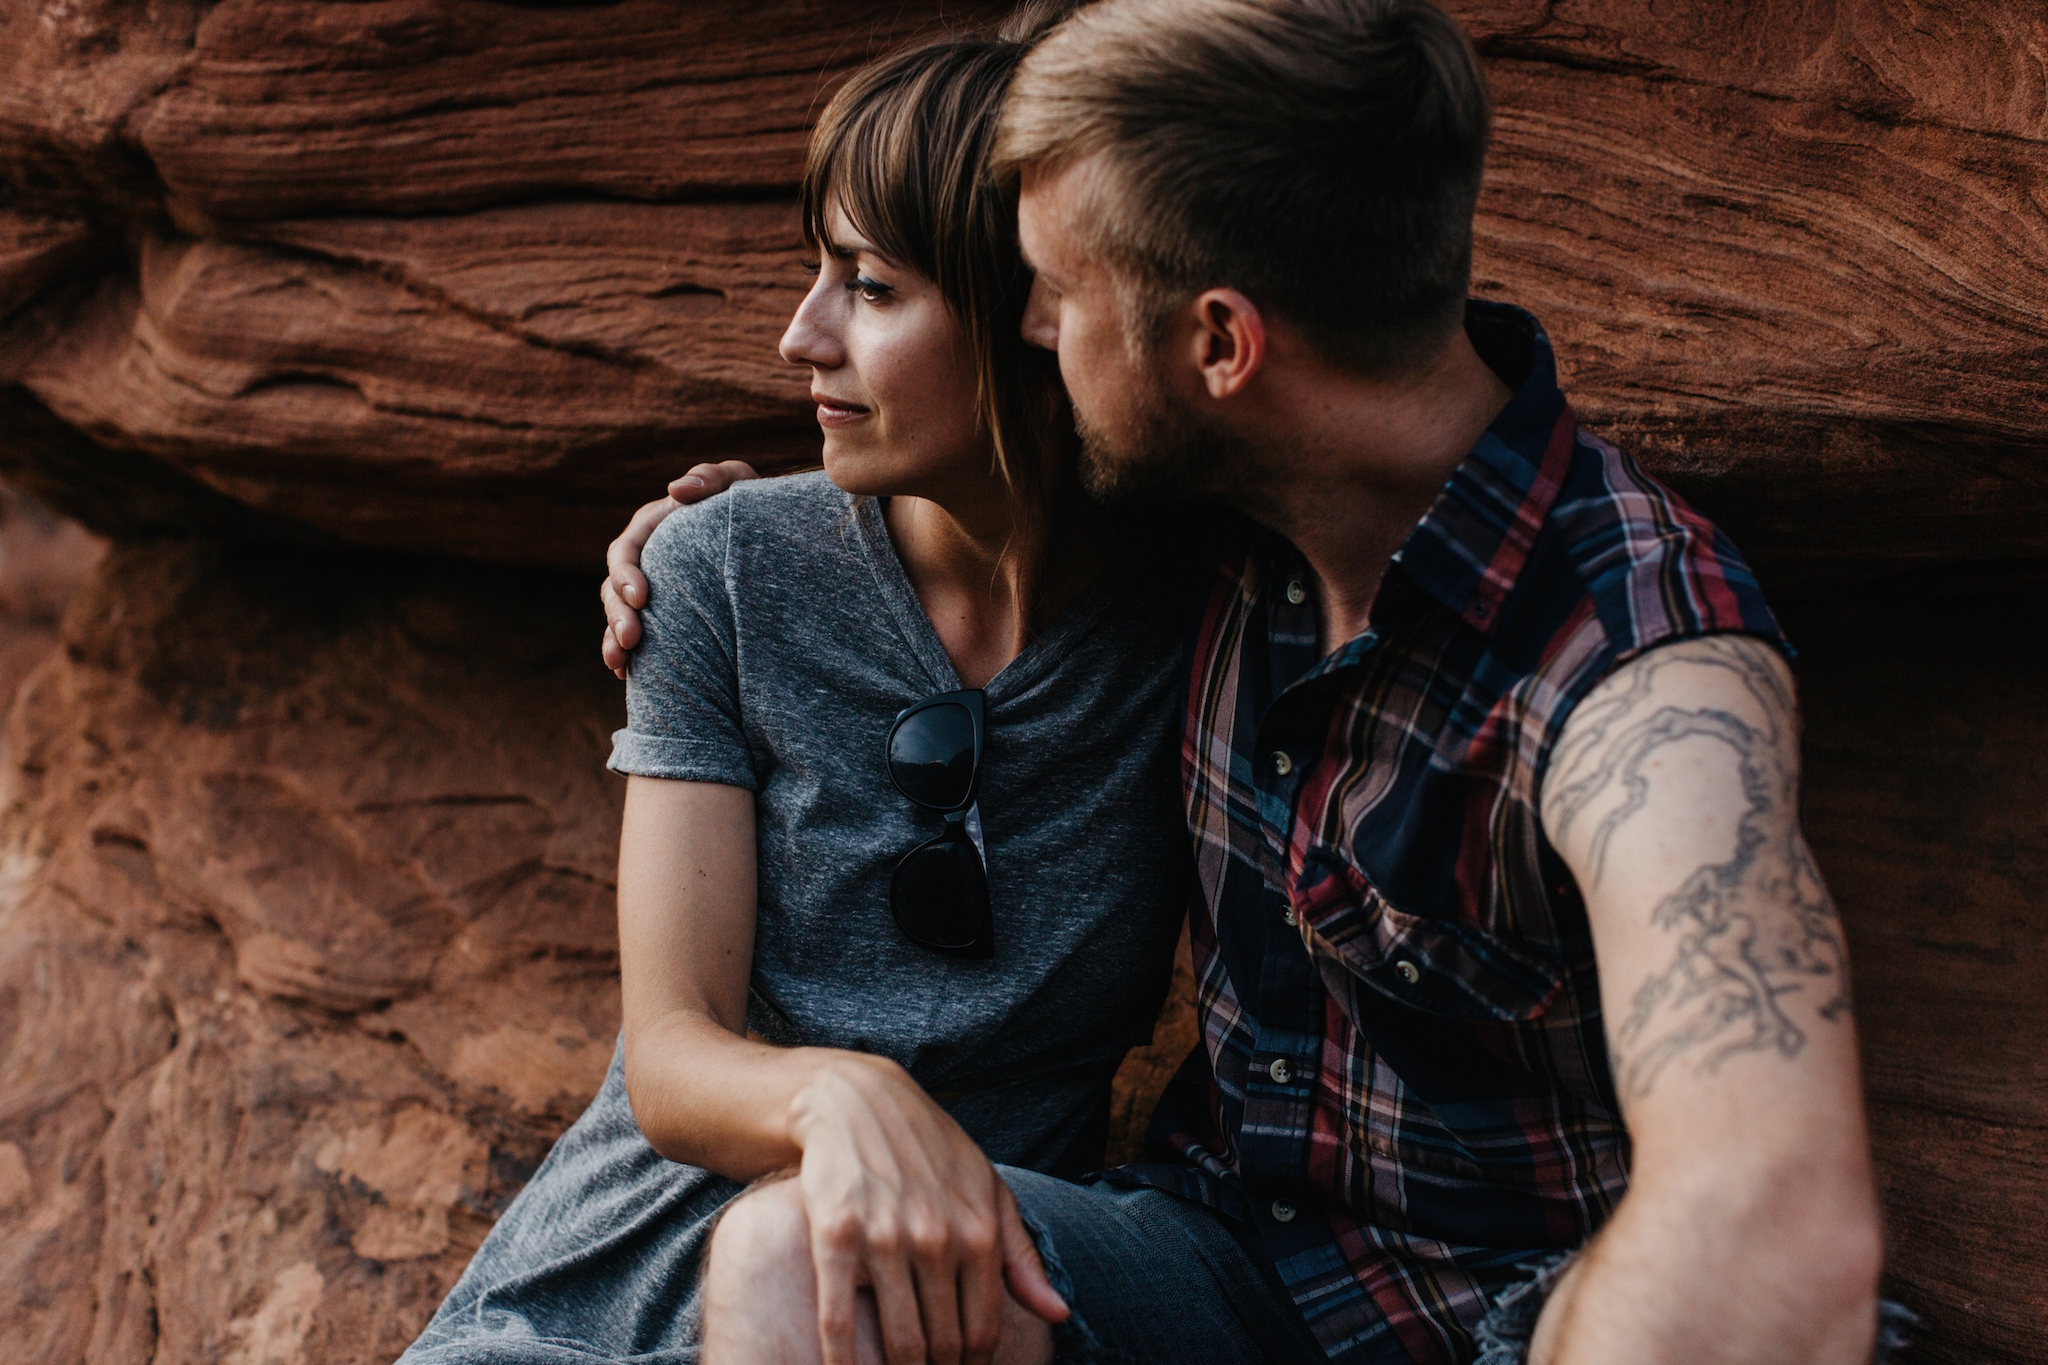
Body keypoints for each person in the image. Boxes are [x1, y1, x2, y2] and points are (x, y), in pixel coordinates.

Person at [605, 2, 1913, 1364]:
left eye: (1059, 288)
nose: (1032, 326)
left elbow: (1772, 1218)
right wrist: (718, 538)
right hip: (1219, 1260)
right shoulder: (1215, 515)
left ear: (1221, 348)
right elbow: (970, 502)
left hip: (1517, 1316)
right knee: (799, 1257)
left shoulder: (1642, 664)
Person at [398, 15, 1307, 1365]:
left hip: (935, 1299)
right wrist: (839, 1092)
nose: (798, 335)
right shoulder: (718, 568)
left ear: (1039, 317)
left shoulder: (1208, 608)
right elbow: (669, 1050)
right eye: (817, 274)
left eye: (871, 288)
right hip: (606, 1285)